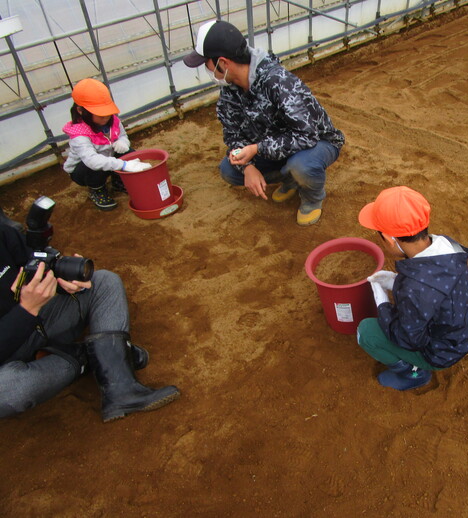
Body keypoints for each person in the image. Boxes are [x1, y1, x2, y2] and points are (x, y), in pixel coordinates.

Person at [0, 222, 180, 422]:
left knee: (103, 282)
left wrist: (62, 280)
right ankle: (89, 357)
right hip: (9, 352)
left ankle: (122, 390)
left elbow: (33, 264)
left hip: (37, 317)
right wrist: (26, 311)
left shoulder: (3, 231)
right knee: (11, 390)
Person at [183, 20, 345, 226]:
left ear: (223, 62)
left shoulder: (278, 82)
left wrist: (257, 148)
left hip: (319, 143)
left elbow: (307, 135)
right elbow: (232, 135)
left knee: (302, 165)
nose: (205, 68)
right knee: (229, 170)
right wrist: (248, 167)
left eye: (206, 62)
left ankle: (312, 198)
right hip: (274, 147)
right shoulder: (229, 91)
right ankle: (290, 179)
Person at [356, 186, 468, 390]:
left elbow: (408, 339)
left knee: (366, 332)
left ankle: (414, 374)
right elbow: (434, 291)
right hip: (460, 335)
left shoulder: (416, 289)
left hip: (439, 353)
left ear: (389, 239)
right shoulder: (447, 246)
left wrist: (383, 304)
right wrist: (397, 282)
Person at [62, 78, 151, 211]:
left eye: (107, 113)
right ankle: (97, 189)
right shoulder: (79, 135)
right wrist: (124, 165)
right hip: (83, 169)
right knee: (94, 169)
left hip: (108, 157)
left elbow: (122, 135)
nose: (106, 117)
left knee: (129, 152)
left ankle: (118, 181)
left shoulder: (112, 120)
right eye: (100, 114)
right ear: (81, 111)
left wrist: (122, 142)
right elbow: (92, 160)